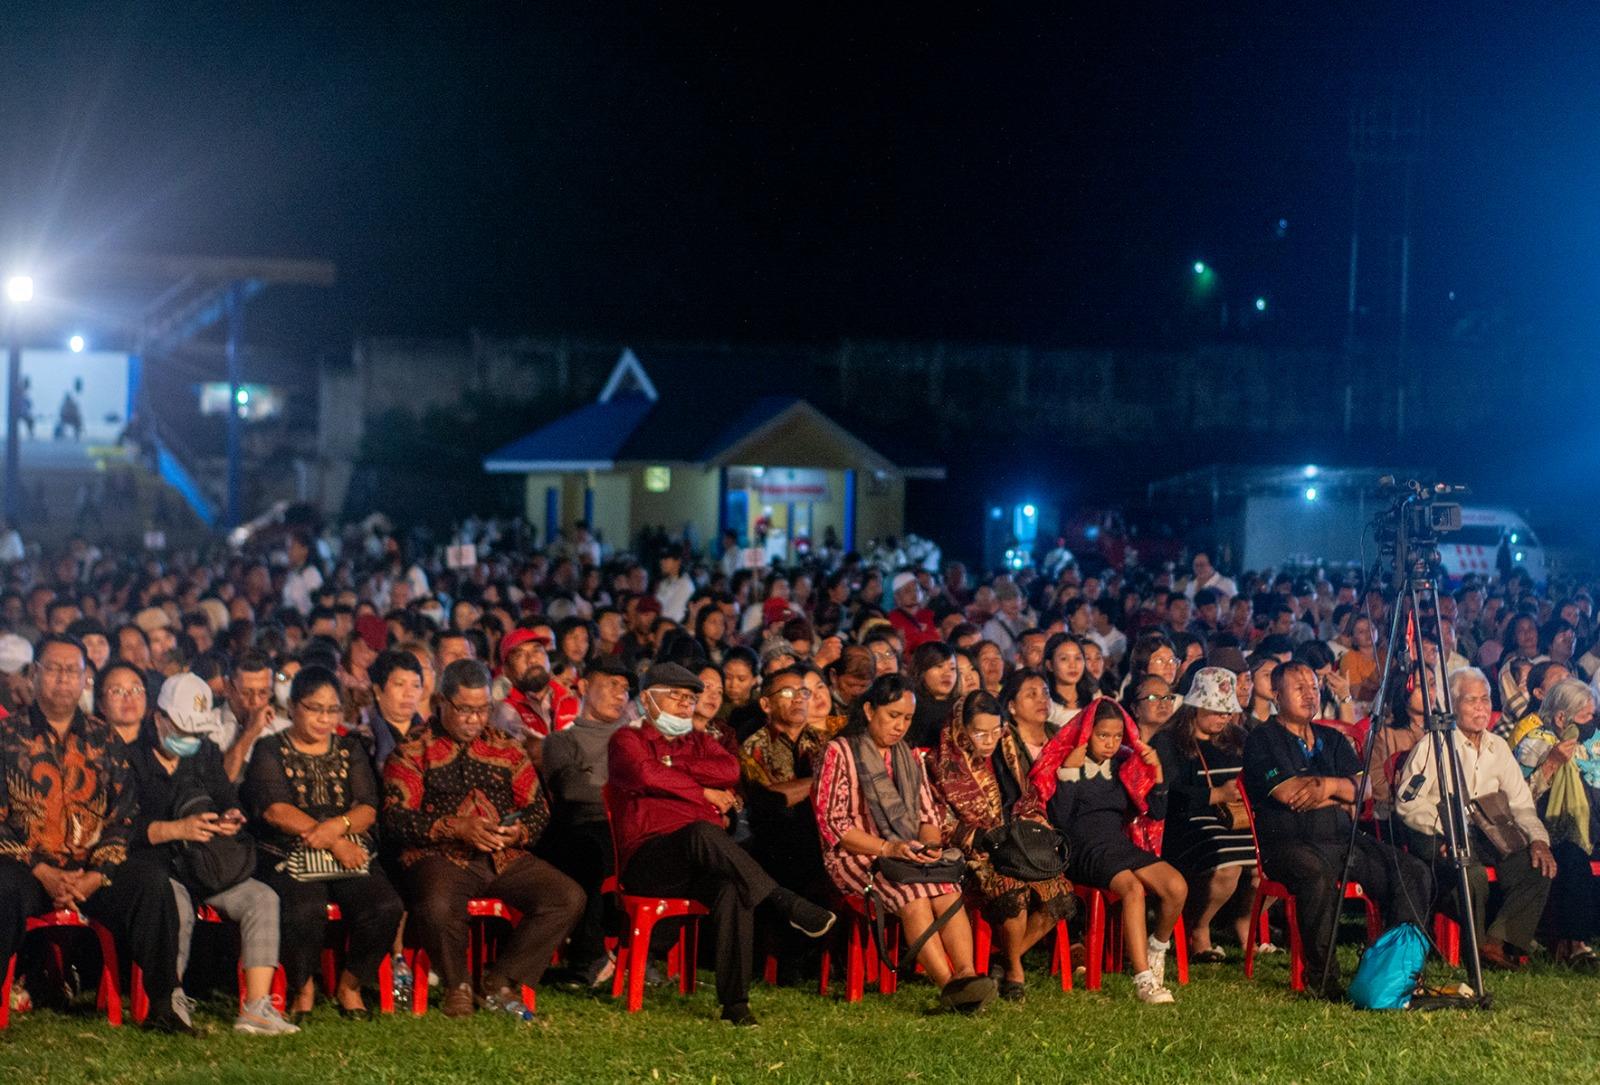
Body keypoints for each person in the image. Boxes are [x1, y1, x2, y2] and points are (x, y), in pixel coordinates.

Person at [609, 663, 836, 1026]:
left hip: (700, 860)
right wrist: (700, 789)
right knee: (700, 831)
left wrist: (673, 764)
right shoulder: (628, 740)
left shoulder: (698, 742)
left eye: (690, 698)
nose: (686, 705)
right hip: (650, 858)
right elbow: (643, 772)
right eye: (676, 697)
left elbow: (729, 771)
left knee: (734, 887)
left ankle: (736, 1006)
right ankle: (783, 900)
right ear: (647, 700)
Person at [0, 634, 189, 1032]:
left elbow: (123, 817)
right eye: (53, 669)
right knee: (2, 888)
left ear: (86, 679)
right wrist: (41, 870)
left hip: (92, 871)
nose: (63, 679)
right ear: (34, 674)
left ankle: (164, 1006)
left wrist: (96, 874)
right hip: (27, 868)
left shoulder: (106, 739)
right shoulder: (7, 736)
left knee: (152, 883)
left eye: (73, 671)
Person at [384, 659, 584, 1020]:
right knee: (438, 902)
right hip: (441, 857)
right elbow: (396, 818)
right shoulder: (413, 750)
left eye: (482, 710)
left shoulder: (507, 747)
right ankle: (456, 985)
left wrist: (516, 832)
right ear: (442, 703)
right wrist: (455, 827)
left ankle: (499, 981)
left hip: (503, 856)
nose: (474, 720)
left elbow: (538, 808)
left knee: (567, 897)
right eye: (464, 710)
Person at [1240, 661, 1433, 999]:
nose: (1308, 694)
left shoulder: (1331, 739)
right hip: (1288, 843)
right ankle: (1322, 979)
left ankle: (1394, 970)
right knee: (1316, 875)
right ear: (1276, 694)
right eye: (1298, 688)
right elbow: (1288, 794)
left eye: (1313, 687)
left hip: (1342, 839)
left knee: (1411, 872)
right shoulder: (1263, 739)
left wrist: (1323, 786)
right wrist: (1341, 794)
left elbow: (1366, 792)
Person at [120, 672, 297, 1034]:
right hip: (160, 867)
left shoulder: (205, 754)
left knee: (262, 898)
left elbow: (227, 799)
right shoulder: (130, 762)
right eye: (183, 731)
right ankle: (170, 1000)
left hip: (207, 864)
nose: (189, 741)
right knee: (175, 907)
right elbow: (121, 830)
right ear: (158, 718)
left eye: (196, 734)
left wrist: (231, 818)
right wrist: (175, 829)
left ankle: (257, 1008)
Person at [814, 674, 998, 1012]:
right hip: (857, 855)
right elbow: (834, 825)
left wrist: (927, 849)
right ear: (870, 710)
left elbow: (928, 816)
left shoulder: (909, 756)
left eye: (907, 718)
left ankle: (969, 977)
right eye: (892, 716)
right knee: (912, 895)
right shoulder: (840, 752)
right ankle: (951, 988)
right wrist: (888, 849)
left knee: (948, 888)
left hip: (906, 853)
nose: (900, 726)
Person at [243, 665, 404, 1019]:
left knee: (385, 906)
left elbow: (367, 808)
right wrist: (334, 841)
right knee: (303, 910)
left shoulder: (350, 749)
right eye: (315, 708)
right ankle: (303, 986)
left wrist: (338, 829)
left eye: (332, 710)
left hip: (349, 849)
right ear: (293, 708)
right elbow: (275, 810)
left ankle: (349, 985)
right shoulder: (270, 749)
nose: (324, 718)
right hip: (289, 851)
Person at [1395, 667, 1554, 970]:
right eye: (1472, 700)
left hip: (1487, 836)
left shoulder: (1498, 748)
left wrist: (1538, 839)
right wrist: (1447, 832)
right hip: (1438, 836)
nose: (1481, 707)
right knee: (1472, 875)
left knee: (1538, 868)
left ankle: (1493, 943)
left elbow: (1521, 805)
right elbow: (1408, 802)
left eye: (1485, 699)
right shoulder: (1434, 745)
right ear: (1453, 706)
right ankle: (1476, 944)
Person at [1032, 698, 1185, 1004]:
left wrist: (1156, 772)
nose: (1111, 743)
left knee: (1176, 886)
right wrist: (1070, 774)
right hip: (1082, 850)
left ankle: (1156, 949)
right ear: (1087, 733)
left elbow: (1155, 811)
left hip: (1117, 845)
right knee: (1132, 888)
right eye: (1103, 735)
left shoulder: (1123, 766)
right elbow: (1061, 822)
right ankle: (1144, 980)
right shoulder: (1068, 763)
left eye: (1117, 736)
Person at [926, 691, 1071, 1000]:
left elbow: (1028, 798)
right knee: (1012, 892)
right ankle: (1015, 972)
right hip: (973, 855)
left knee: (1058, 894)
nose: (990, 739)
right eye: (980, 732)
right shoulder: (940, 763)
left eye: (996, 730)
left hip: (1017, 847)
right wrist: (983, 839)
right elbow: (936, 822)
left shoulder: (1009, 751)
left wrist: (1034, 821)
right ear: (961, 729)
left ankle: (1002, 960)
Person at [540, 655, 634, 987]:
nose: (620, 694)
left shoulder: (635, 741)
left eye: (625, 688)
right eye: (611, 684)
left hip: (630, 828)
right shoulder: (560, 741)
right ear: (583, 686)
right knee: (591, 848)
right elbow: (572, 788)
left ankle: (640, 956)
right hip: (581, 827)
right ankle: (589, 958)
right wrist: (624, 793)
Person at [1152, 668, 1257, 961]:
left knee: (1266, 865)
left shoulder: (1237, 738)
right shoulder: (1170, 742)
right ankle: (1200, 926)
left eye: (1226, 712)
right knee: (1228, 865)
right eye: (1215, 711)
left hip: (1236, 817)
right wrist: (1215, 795)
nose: (1222, 718)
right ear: (1194, 707)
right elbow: (1168, 793)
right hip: (1188, 821)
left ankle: (1244, 920)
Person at [1511, 678, 1600, 964]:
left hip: (1591, 825)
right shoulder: (1535, 744)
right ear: (1562, 718)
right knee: (1572, 857)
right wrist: (1552, 763)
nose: (1591, 723)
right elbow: (1519, 796)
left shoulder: (1593, 744)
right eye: (1585, 717)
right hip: (1546, 829)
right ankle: (1573, 943)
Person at [491, 628, 580, 765]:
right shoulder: (504, 708)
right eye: (519, 655)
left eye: (537, 650)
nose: (532, 660)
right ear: (506, 670)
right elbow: (533, 754)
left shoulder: (570, 698)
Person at [905, 641, 960, 748]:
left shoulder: (962, 707)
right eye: (939, 666)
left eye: (952, 668)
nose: (947, 674)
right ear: (921, 670)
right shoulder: (911, 706)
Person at [887, 572, 939, 653]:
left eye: (916, 589)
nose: (914, 594)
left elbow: (937, 640)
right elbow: (912, 645)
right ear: (897, 597)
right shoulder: (893, 618)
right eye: (908, 591)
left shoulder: (928, 614)